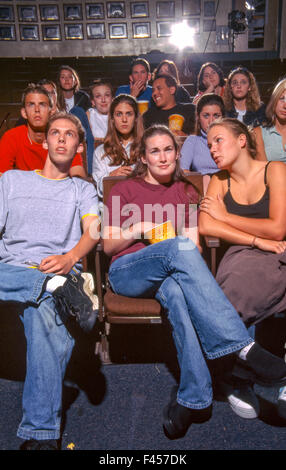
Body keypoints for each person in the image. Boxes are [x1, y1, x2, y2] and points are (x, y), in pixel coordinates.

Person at [103, 124, 286, 440]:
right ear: (144, 158)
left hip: (171, 274)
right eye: (155, 151)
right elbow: (108, 244)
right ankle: (240, 345)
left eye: (169, 150)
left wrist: (166, 239)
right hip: (128, 271)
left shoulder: (184, 192)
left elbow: (193, 247)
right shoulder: (124, 190)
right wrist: (143, 227)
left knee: (176, 289)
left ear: (177, 153)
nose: (163, 157)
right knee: (178, 249)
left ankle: (194, 398)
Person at [0, 112, 100, 450]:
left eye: (69, 134)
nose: (60, 138)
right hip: (12, 271)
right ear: (45, 141)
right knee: (44, 296)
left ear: (78, 146)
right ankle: (46, 288)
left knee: (41, 315)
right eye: (54, 133)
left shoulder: (81, 190)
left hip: (58, 269)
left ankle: (41, 434)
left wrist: (70, 258)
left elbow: (93, 232)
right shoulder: (11, 180)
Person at [199, 117, 286, 420]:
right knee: (234, 287)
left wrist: (226, 216)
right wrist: (253, 239)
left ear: (241, 140)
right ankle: (240, 377)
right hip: (242, 254)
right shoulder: (218, 180)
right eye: (208, 144)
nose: (212, 149)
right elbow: (205, 223)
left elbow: (277, 228)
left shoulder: (274, 170)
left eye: (218, 140)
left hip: (279, 250)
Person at [0, 83, 86, 178]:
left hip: (57, 189)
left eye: (42, 105)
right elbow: (2, 177)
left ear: (51, 111)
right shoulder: (12, 137)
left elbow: (78, 176)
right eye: (31, 105)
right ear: (24, 113)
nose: (37, 109)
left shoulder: (63, 136)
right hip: (23, 190)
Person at [92, 94, 143, 199]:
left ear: (136, 118)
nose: (124, 119)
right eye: (119, 114)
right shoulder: (101, 152)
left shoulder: (147, 147)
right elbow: (100, 190)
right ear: (112, 119)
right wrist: (111, 176)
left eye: (129, 114)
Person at [180, 94, 225, 175]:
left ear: (223, 117)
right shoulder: (192, 141)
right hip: (201, 184)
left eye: (216, 116)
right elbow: (183, 171)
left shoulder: (230, 141)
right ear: (198, 117)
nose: (211, 121)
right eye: (206, 116)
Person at [254, 78, 286, 163]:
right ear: (274, 100)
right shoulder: (258, 133)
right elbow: (263, 169)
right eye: (282, 98)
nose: (285, 105)